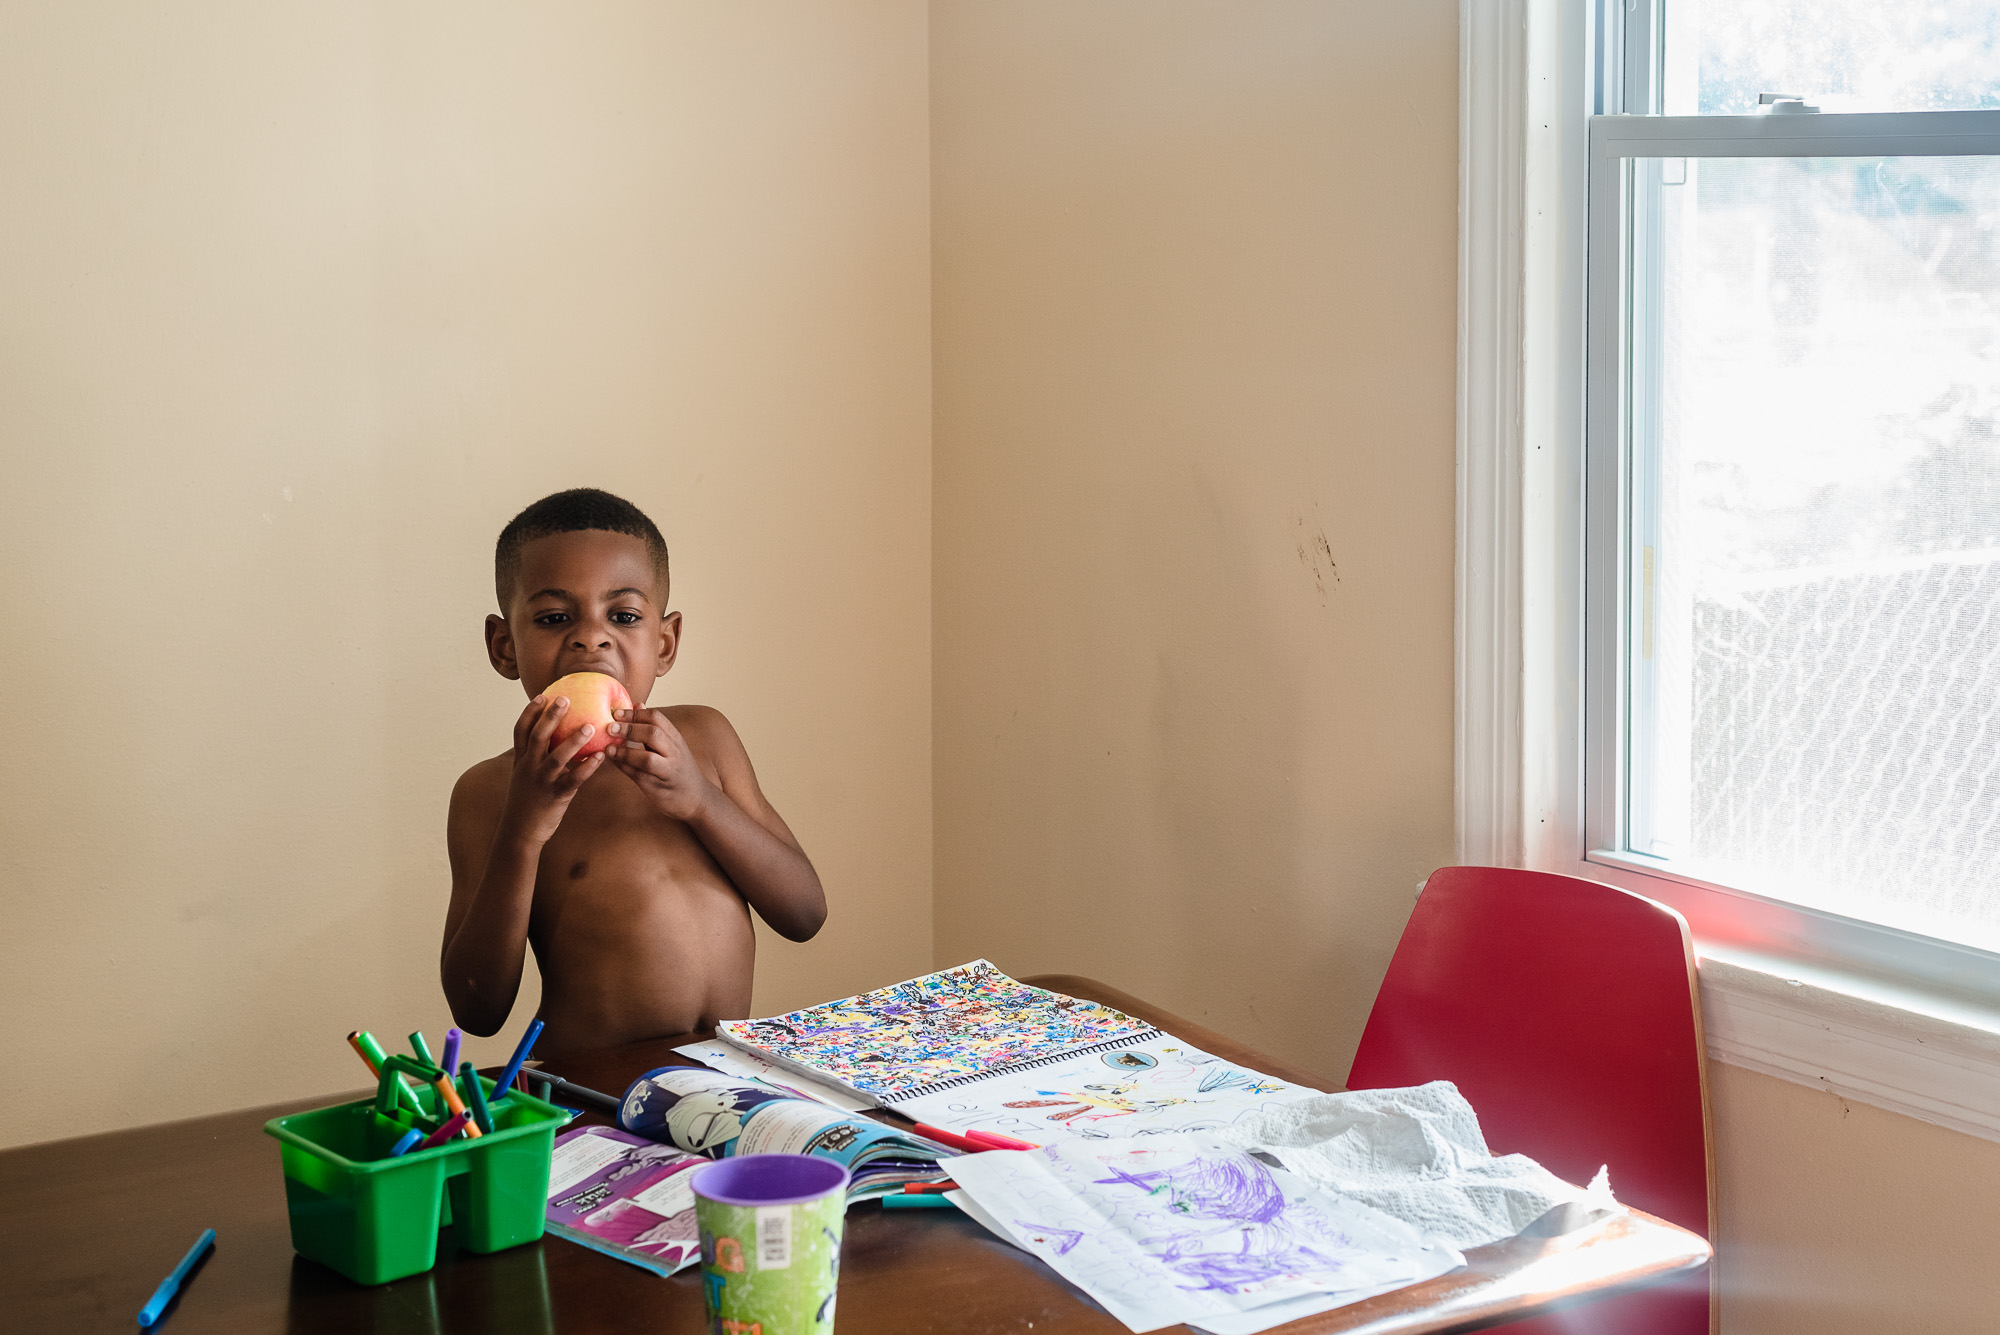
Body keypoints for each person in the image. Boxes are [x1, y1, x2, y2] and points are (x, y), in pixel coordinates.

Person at [441, 488, 825, 1049]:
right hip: (592, 1089)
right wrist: (524, 828)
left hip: (724, 1081)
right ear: (504, 646)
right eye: (553, 618)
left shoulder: (705, 739)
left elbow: (804, 913)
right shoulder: (492, 791)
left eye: (623, 615)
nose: (591, 636)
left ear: (664, 643)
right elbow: (478, 1008)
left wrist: (699, 801)